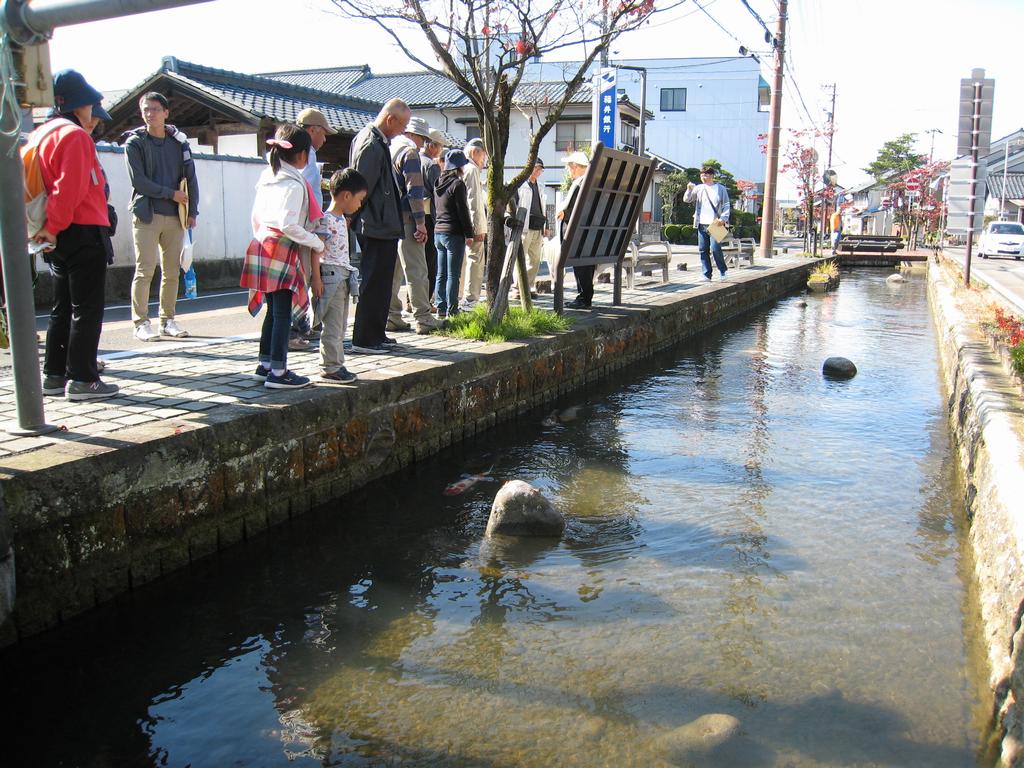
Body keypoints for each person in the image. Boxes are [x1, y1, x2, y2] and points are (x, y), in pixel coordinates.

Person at [31, 69, 119, 401]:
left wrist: (49, 230)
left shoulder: (41, 134)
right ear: (78, 104)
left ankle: (54, 375)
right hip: (81, 229)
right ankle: (83, 379)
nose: (92, 113)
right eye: (89, 105)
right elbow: (69, 188)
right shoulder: (74, 135)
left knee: (61, 307)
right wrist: (55, 224)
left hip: (56, 236)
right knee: (87, 307)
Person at [242, 125, 324, 390]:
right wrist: (315, 243)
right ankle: (279, 371)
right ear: (301, 155)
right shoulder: (292, 183)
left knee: (273, 311)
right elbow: (288, 224)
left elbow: (255, 217)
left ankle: (265, 364)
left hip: (261, 243)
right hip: (281, 246)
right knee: (282, 314)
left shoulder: (268, 177)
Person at [124, 91, 199, 341]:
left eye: (155, 109)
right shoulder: (135, 142)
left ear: (166, 112)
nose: (150, 113)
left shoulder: (179, 143)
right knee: (144, 269)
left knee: (172, 271)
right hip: (146, 214)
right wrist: (171, 194)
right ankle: (140, 322)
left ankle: (167, 320)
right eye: (146, 109)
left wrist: (192, 210)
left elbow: (191, 178)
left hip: (175, 216)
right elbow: (139, 182)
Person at [349, 98, 411, 354]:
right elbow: (360, 189)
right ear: (390, 120)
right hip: (374, 224)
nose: (403, 131)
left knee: (382, 282)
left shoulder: (375, 140)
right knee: (374, 281)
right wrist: (353, 217)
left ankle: (376, 333)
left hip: (381, 223)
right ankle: (365, 338)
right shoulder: (371, 143)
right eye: (402, 125)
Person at [387, 116, 441, 335]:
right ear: (412, 135)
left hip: (390, 220)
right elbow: (414, 190)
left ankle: (392, 315)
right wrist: (421, 222)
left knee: (394, 272)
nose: (422, 144)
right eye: (422, 139)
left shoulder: (390, 151)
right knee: (417, 269)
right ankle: (423, 317)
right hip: (409, 219)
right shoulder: (409, 153)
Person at [313, 169, 367, 384]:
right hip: (331, 275)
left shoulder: (341, 220)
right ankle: (331, 367)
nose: (360, 204)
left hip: (343, 275)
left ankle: (336, 363)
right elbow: (317, 250)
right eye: (359, 199)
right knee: (333, 324)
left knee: (341, 324)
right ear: (346, 196)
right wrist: (316, 278)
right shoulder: (326, 220)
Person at [289, 107, 335, 350]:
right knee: (301, 278)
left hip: (303, 225)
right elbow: (304, 187)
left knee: (301, 279)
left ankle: (299, 328)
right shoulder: (306, 152)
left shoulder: (303, 153)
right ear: (313, 130)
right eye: (323, 133)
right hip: (303, 226)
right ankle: (293, 332)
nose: (325, 138)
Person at [433, 149, 475, 319]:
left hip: (438, 232)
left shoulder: (438, 182)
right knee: (453, 274)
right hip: (453, 233)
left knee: (441, 273)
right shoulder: (458, 185)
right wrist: (469, 233)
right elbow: (463, 211)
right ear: (459, 167)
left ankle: (441, 307)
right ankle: (453, 310)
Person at [684, 165, 731, 281]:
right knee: (703, 249)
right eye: (702, 175)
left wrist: (723, 218)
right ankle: (706, 274)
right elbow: (687, 199)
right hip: (701, 223)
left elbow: (726, 205)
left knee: (715, 248)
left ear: (712, 176)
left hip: (716, 223)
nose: (703, 177)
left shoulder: (720, 188)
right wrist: (689, 189)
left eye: (706, 174)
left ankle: (723, 271)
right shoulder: (699, 188)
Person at [557, 151, 591, 309]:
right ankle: (586, 295)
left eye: (569, 168)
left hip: (578, 238)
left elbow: (568, 211)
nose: (569, 171)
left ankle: (584, 297)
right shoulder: (592, 182)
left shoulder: (579, 184)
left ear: (576, 167)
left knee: (576, 260)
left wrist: (563, 213)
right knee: (585, 260)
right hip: (591, 237)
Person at [511, 158, 548, 299]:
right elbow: (513, 204)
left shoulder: (541, 186)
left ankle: (529, 286)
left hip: (538, 226)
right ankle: (517, 288)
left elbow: (543, 207)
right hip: (524, 226)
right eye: (536, 168)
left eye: (540, 169)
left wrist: (547, 226)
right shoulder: (520, 185)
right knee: (520, 258)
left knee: (535, 259)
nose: (538, 171)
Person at [460, 137, 488, 310]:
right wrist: (476, 228)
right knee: (474, 260)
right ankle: (471, 299)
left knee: (465, 261)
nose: (484, 161)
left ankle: (463, 297)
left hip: (461, 225)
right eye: (483, 156)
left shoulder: (461, 167)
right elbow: (474, 202)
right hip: (473, 226)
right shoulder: (471, 169)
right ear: (474, 152)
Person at [422, 129, 446, 302]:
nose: (440, 151)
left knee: (417, 263)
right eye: (439, 147)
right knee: (430, 262)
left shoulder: (415, 160)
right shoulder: (431, 166)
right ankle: (426, 300)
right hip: (429, 219)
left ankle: (412, 300)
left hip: (415, 218)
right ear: (432, 146)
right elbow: (439, 194)